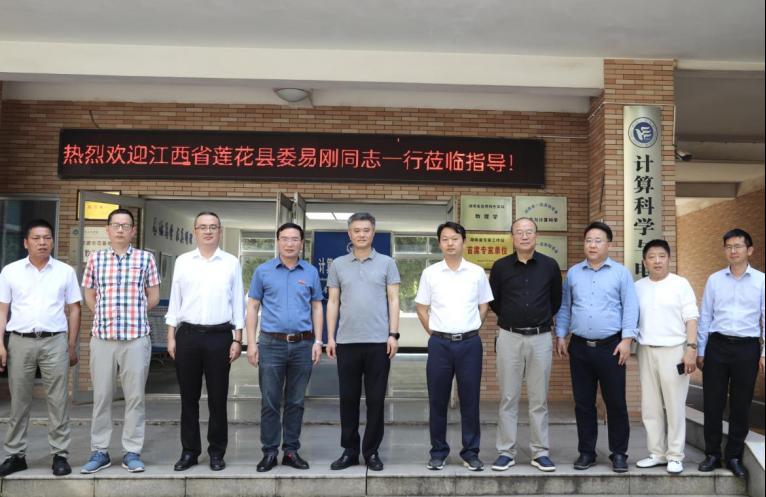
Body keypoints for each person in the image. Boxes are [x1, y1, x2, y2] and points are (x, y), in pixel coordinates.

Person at [80, 208, 160, 474]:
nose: (120, 229)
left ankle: (132, 451)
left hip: (136, 338)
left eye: (126, 225)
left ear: (133, 231)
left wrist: (133, 313)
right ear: (108, 229)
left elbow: (153, 296)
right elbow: (89, 294)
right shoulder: (96, 258)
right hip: (103, 338)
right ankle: (99, 450)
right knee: (102, 397)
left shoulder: (145, 258)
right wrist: (104, 315)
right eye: (116, 225)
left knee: (135, 398)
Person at [0, 219, 82, 477]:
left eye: (47, 237)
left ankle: (60, 455)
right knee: (19, 400)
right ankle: (16, 455)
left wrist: (71, 344)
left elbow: (75, 309)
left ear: (53, 242)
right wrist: (0, 344)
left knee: (58, 400)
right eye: (36, 238)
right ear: (26, 242)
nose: (42, 242)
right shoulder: (10, 271)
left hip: (54, 341)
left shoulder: (65, 272)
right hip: (20, 340)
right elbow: (2, 310)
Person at [555, 221, 638, 473]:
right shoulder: (573, 274)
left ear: (609, 244)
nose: (592, 245)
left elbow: (630, 307)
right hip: (579, 347)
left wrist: (627, 340)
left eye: (598, 240)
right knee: (583, 403)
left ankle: (619, 453)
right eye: (588, 240)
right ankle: (586, 452)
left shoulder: (621, 273)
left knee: (616, 403)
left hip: (611, 347)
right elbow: (565, 306)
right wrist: (561, 335)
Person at [165, 211, 244, 472]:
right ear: (195, 231)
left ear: (220, 231)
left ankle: (217, 453)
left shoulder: (231, 262)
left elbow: (238, 302)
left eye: (213, 227)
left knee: (218, 399)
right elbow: (175, 300)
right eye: (203, 227)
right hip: (187, 336)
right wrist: (171, 335)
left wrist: (238, 338)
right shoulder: (183, 262)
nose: (208, 231)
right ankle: (189, 451)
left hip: (220, 337)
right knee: (188, 398)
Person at [246, 222, 324, 472]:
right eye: (285, 239)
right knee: (270, 400)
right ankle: (269, 452)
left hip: (303, 344)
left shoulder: (310, 272)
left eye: (295, 239)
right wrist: (251, 343)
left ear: (301, 243)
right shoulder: (263, 271)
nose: (290, 243)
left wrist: (318, 341)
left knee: (296, 401)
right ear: (278, 241)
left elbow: (316, 306)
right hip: (271, 344)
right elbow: (253, 307)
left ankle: (291, 451)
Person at [415, 221, 493, 471]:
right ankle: (438, 452)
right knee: (437, 400)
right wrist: (435, 332)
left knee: (470, 400)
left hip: (470, 344)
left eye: (455, 238)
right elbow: (421, 308)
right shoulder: (430, 273)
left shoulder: (476, 272)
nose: (450, 243)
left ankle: (471, 452)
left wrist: (472, 327)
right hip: (440, 345)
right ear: (439, 243)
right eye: (445, 239)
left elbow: (484, 305)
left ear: (463, 241)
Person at [326, 212, 400, 472]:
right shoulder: (338, 265)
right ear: (349, 233)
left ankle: (371, 451)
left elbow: (393, 299)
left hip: (379, 342)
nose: (361, 234)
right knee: (348, 399)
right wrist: (330, 337)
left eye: (366, 230)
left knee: (376, 400)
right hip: (347, 342)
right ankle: (349, 451)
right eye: (356, 230)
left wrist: (393, 334)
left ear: (373, 232)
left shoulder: (387, 263)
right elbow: (333, 301)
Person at [489, 217, 561, 473]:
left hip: (540, 338)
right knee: (508, 397)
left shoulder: (550, 266)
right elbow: (494, 301)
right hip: (509, 337)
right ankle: (506, 451)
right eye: (519, 232)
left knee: (538, 399)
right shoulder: (500, 267)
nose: (524, 236)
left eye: (529, 232)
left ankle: (540, 452)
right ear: (512, 237)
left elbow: (556, 300)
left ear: (536, 236)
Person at [696, 228, 765, 478]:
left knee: (740, 404)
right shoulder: (715, 280)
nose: (733, 251)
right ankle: (712, 454)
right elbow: (705, 317)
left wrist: (764, 353)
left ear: (750, 250)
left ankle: (734, 456)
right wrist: (701, 350)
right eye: (728, 246)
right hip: (717, 345)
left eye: (738, 246)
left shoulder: (761, 281)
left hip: (747, 347)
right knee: (712, 402)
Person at [633, 239, 698, 474]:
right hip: (646, 350)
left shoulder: (680, 284)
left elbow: (691, 317)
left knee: (674, 405)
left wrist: (691, 348)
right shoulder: (638, 286)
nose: (657, 261)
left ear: (668, 258)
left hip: (674, 351)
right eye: (651, 257)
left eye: (661, 256)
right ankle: (657, 453)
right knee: (650, 406)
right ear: (644, 262)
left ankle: (675, 455)